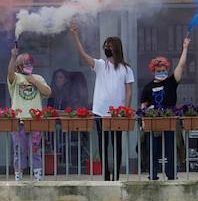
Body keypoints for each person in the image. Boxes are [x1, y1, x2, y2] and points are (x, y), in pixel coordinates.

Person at [70, 24, 134, 181]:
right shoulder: (99, 64)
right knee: (103, 144)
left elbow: (129, 91)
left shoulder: (126, 69)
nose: (107, 49)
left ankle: (117, 176)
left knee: (117, 144)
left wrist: (125, 110)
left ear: (116, 49)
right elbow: (84, 55)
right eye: (105, 46)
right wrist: (75, 36)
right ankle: (106, 176)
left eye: (109, 47)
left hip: (117, 113)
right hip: (100, 111)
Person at [139, 35, 191, 180]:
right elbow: (143, 105)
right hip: (153, 122)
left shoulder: (171, 82)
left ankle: (171, 174)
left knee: (171, 148)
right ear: (153, 70)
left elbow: (181, 66)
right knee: (152, 148)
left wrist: (185, 48)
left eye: (163, 69)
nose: (161, 71)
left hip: (170, 120)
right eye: (158, 69)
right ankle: (153, 173)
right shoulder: (148, 87)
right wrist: (144, 119)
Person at [6, 46, 51, 182]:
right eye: (25, 63)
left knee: (36, 151)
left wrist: (34, 82)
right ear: (19, 66)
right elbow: (10, 74)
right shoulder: (16, 78)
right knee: (19, 151)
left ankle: (38, 178)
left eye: (30, 63)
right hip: (18, 121)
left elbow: (48, 92)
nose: (28, 66)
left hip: (35, 122)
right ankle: (18, 178)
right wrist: (13, 57)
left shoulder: (38, 78)